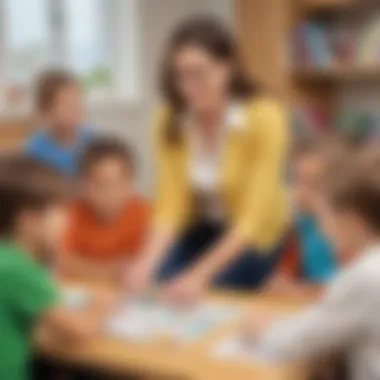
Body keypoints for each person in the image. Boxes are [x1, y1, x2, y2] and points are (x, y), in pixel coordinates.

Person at [126, 16, 289, 303]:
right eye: (180, 75)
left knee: (206, 295)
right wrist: (145, 262)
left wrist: (199, 276)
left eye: (199, 73)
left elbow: (252, 219)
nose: (188, 87)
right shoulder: (169, 120)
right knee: (157, 284)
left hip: (255, 235)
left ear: (228, 67)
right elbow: (170, 204)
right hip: (201, 227)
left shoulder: (265, 117)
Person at [246, 146, 380, 380]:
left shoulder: (367, 274)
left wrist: (259, 328)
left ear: (350, 220)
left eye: (324, 217)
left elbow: (290, 344)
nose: (322, 228)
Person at [0, 155, 113, 380]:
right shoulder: (16, 268)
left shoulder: (11, 256)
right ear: (29, 219)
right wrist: (101, 305)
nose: (67, 220)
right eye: (60, 211)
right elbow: (80, 331)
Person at [265, 138, 348, 298]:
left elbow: (348, 290)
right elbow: (288, 270)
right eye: (297, 180)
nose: (301, 191)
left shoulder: (345, 233)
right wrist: (282, 281)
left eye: (313, 184)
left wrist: (299, 292)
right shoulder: (302, 225)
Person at [60, 138, 150, 282]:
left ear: (131, 183)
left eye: (118, 184)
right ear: (82, 185)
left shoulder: (145, 214)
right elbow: (61, 263)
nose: (110, 194)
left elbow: (152, 265)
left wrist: (88, 268)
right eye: (99, 185)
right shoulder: (72, 214)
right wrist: (113, 271)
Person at [25, 69, 94, 176]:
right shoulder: (36, 149)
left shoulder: (94, 141)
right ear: (46, 112)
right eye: (66, 104)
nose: (74, 109)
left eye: (76, 102)